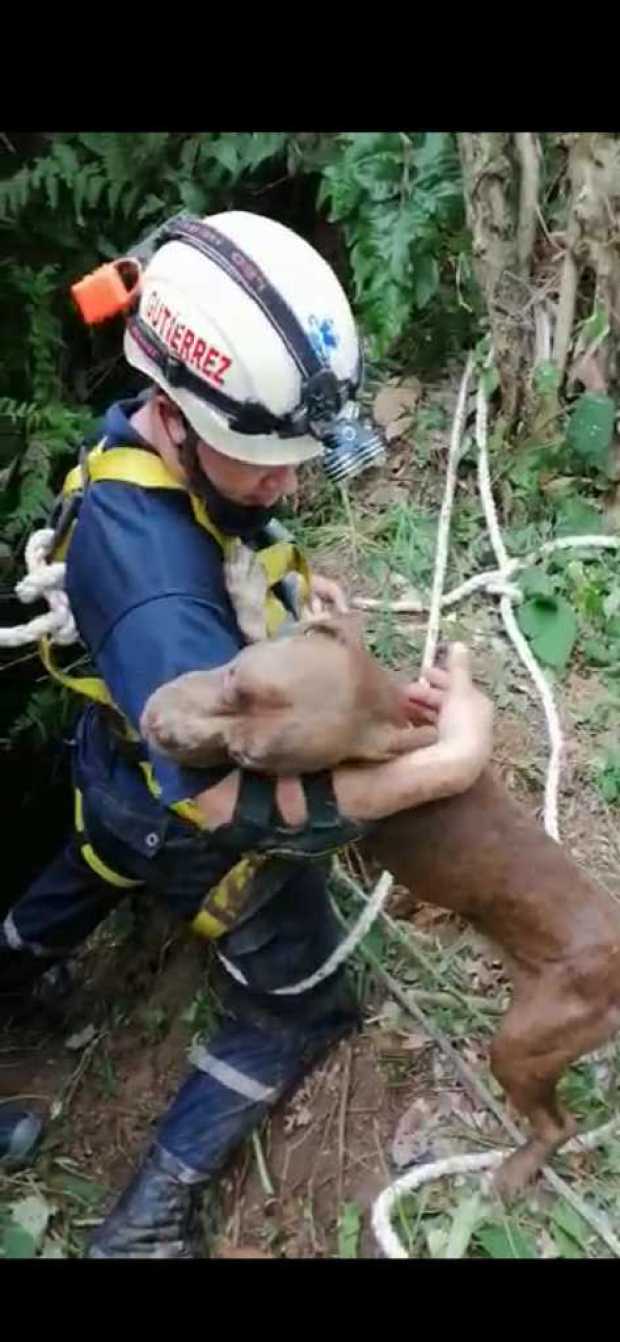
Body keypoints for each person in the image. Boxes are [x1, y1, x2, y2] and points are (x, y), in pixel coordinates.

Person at [0, 211, 493, 1257]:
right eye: (259, 461)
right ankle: (142, 1220)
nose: (286, 484)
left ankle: (22, 979)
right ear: (178, 415)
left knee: (86, 862)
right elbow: (224, 804)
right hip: (170, 805)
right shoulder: (160, 605)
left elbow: (239, 516)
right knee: (300, 1003)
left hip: (109, 772)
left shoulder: (145, 434)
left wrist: (287, 594)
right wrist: (441, 764)